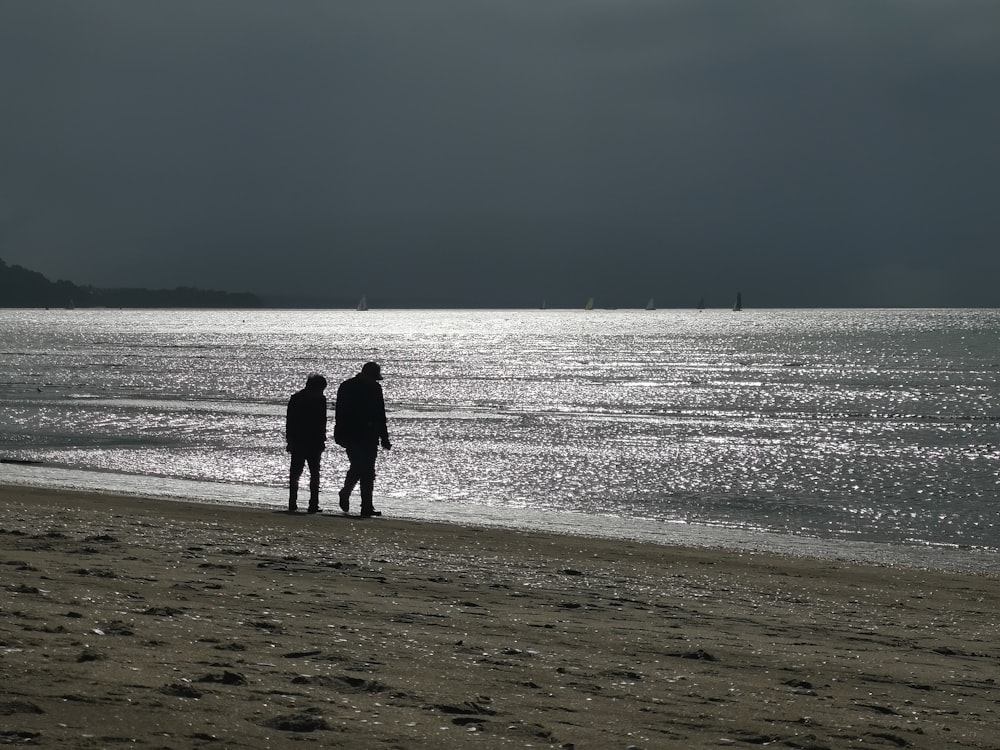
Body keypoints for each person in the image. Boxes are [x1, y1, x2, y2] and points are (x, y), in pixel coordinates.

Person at [334, 361, 392, 517]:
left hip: (370, 434)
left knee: (367, 470)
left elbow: (381, 414)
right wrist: (339, 434)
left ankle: (366, 504)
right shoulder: (348, 386)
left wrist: (384, 437)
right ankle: (348, 493)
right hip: (352, 434)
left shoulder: (373, 388)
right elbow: (340, 412)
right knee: (360, 466)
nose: (374, 380)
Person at [285, 373, 328, 513]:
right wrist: (322, 439)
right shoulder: (320, 400)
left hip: (299, 440)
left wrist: (290, 439)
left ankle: (293, 502)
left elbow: (290, 422)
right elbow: (322, 422)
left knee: (296, 473)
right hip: (312, 440)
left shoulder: (296, 398)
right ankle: (313, 504)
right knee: (314, 473)